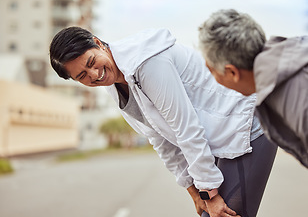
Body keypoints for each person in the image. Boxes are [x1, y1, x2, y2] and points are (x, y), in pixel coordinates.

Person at [49, 26, 277, 217]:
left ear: (98, 43)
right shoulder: (115, 85)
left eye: (91, 62)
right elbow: (158, 137)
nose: (94, 74)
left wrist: (210, 193)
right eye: (82, 76)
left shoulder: (146, 63)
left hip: (245, 126)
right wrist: (193, 190)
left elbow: (185, 126)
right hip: (219, 137)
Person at [199, 9, 308, 168]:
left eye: (211, 69)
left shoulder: (295, 97)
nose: (211, 76)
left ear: (232, 72)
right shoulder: (287, 65)